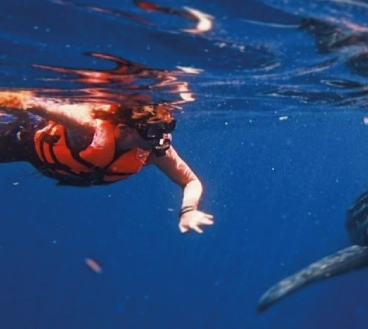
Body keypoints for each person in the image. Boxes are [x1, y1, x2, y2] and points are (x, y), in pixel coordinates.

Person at [0, 91, 214, 234]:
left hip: (54, 166)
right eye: (152, 131)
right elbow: (34, 105)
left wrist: (188, 210)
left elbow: (191, 182)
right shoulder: (88, 130)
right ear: (124, 129)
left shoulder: (153, 151)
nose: (161, 138)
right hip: (24, 140)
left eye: (167, 128)